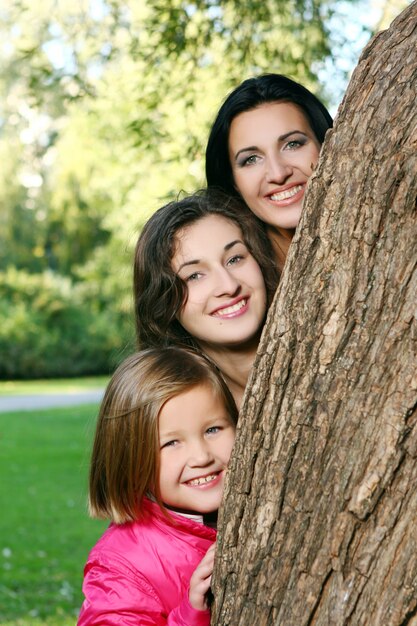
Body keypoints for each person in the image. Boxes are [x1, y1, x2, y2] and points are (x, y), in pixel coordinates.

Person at [77, 346, 238, 626]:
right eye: (171, 443)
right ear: (131, 459)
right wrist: (192, 614)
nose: (201, 456)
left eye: (213, 429)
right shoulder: (120, 564)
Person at [133, 188, 280, 409]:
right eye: (194, 276)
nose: (229, 286)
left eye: (235, 259)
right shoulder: (175, 418)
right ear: (164, 304)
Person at [205, 73, 333, 270]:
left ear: (326, 144)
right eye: (251, 159)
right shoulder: (238, 288)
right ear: (233, 183)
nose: (278, 174)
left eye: (292, 144)